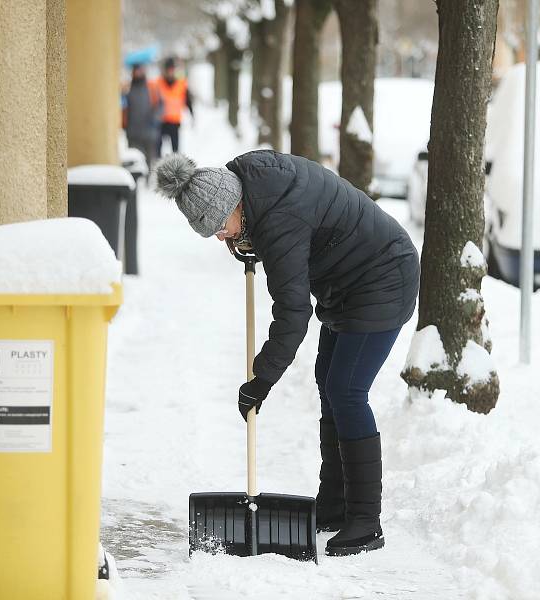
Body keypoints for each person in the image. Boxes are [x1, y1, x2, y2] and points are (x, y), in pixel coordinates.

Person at [154, 150, 420, 557]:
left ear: (233, 205)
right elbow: (298, 232)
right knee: (329, 383)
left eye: (219, 228)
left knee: (347, 390)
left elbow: (293, 314)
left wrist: (261, 380)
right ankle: (333, 506)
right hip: (347, 281)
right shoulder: (251, 182)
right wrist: (252, 239)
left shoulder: (278, 219)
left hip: (383, 277)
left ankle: (367, 522)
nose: (221, 237)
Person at [151, 57, 193, 158]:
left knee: (175, 150)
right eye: (168, 70)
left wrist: (192, 114)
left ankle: (175, 170)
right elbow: (152, 101)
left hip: (175, 122)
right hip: (161, 121)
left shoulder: (181, 83)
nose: (170, 72)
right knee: (157, 148)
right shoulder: (158, 83)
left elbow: (188, 101)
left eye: (172, 70)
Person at [123, 63, 161, 170]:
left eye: (140, 70)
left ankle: (148, 180)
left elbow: (160, 105)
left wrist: (155, 118)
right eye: (136, 71)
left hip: (149, 132)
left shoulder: (152, 87)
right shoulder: (127, 88)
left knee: (149, 160)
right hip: (133, 132)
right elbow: (123, 107)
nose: (138, 73)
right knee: (134, 162)